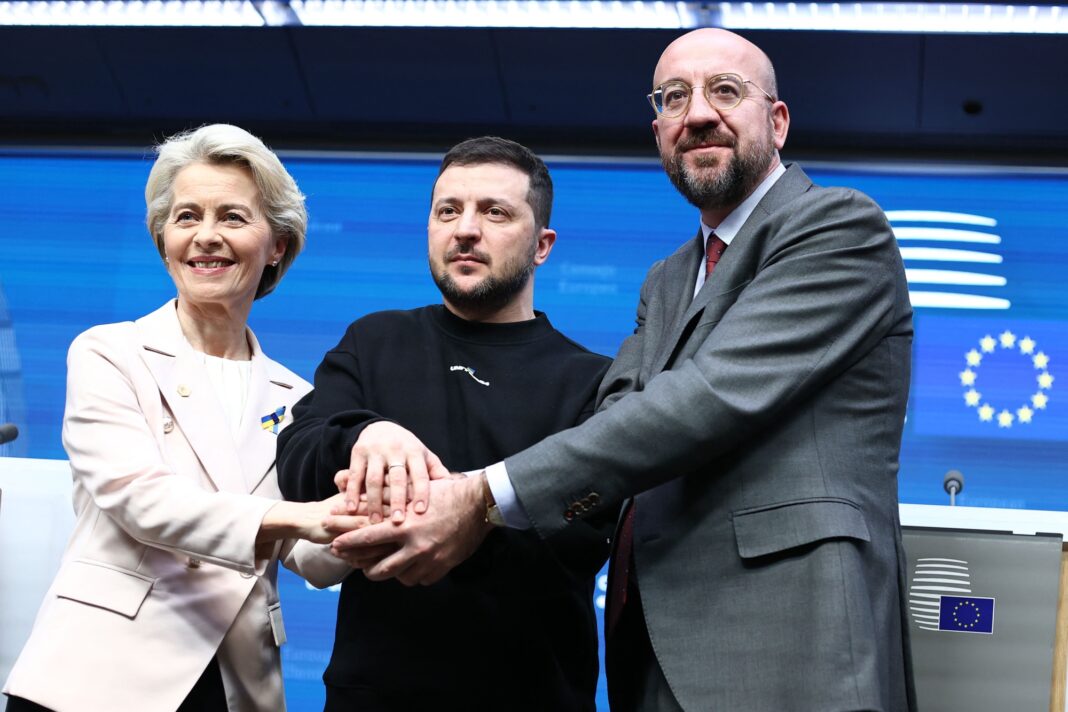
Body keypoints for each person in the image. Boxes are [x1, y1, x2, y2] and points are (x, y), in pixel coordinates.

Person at [328, 29, 917, 712]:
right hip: (656, 647)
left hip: (788, 641)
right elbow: (619, 416)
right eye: (674, 98)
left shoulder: (838, 228)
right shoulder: (668, 279)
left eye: (726, 91)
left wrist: (481, 498)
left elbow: (706, 398)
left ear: (777, 121)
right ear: (659, 129)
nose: (698, 114)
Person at [3, 124, 347, 712]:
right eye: (187, 217)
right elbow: (141, 499)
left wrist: (369, 521)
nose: (206, 236)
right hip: (97, 678)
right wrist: (300, 515)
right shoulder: (109, 352)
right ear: (164, 240)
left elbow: (310, 557)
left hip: (233, 682)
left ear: (278, 245)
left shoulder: (298, 398)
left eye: (233, 217)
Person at [276, 136, 613, 711]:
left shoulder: (592, 380)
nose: (465, 230)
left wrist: (463, 511)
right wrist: (366, 436)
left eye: (495, 212)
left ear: (542, 245)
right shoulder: (373, 340)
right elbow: (298, 460)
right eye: (448, 211)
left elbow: (582, 535)